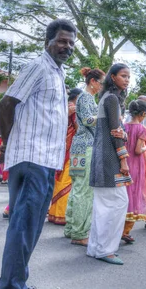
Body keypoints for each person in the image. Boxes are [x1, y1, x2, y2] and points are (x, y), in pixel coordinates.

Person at [0, 19, 76, 289]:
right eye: (63, 41)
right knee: (23, 227)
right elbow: (7, 103)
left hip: (45, 161)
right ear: (48, 42)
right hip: (31, 159)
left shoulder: (58, 72)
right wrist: (8, 144)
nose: (68, 47)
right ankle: (11, 285)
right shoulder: (38, 66)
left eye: (71, 43)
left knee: (29, 228)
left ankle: (15, 282)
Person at [87, 63, 132, 265]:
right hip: (110, 158)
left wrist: (123, 133)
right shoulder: (112, 99)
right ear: (112, 77)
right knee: (117, 203)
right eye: (123, 76)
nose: (127, 80)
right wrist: (123, 160)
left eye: (128, 77)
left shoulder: (105, 97)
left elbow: (117, 131)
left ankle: (96, 248)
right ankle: (105, 249)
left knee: (103, 204)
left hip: (101, 156)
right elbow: (116, 132)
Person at [64, 67, 105, 246]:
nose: (103, 87)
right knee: (84, 191)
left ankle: (72, 228)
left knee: (77, 189)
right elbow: (88, 120)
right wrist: (106, 116)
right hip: (87, 147)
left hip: (78, 147)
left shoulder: (83, 98)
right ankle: (79, 233)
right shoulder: (86, 98)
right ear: (93, 82)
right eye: (102, 83)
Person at [48, 88, 82, 225]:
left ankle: (54, 213)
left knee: (60, 179)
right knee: (69, 181)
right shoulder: (74, 110)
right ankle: (62, 214)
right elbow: (79, 129)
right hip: (73, 150)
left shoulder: (62, 107)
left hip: (60, 148)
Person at [122, 99, 146, 244]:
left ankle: (118, 228)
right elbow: (138, 150)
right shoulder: (142, 130)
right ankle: (125, 231)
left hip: (122, 163)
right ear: (144, 114)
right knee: (133, 194)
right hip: (135, 165)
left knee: (122, 194)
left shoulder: (123, 126)